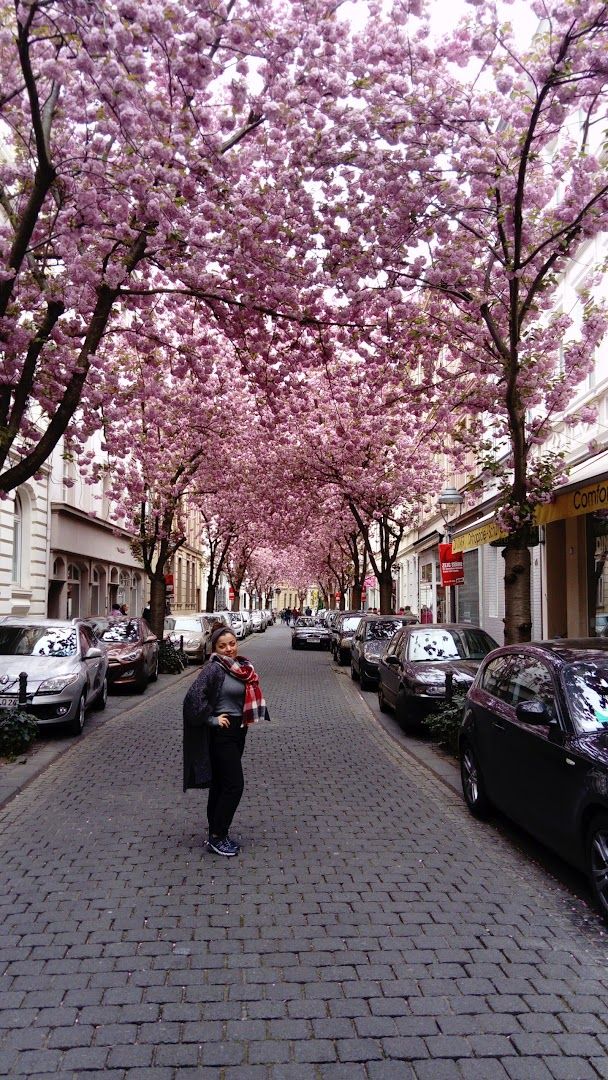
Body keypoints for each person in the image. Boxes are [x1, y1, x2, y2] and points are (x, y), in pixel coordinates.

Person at [182, 625, 270, 857]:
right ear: (214, 648)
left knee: (221, 784)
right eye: (222, 646)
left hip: (238, 732)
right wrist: (211, 720)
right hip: (223, 734)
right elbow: (192, 700)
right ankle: (218, 836)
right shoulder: (214, 669)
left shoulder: (240, 667)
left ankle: (215, 832)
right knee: (234, 785)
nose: (228, 649)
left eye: (231, 644)